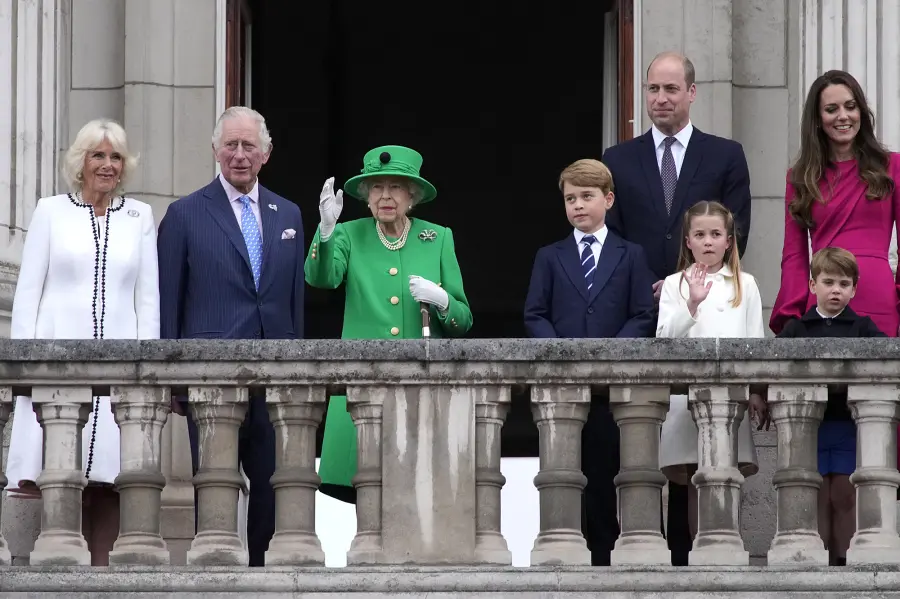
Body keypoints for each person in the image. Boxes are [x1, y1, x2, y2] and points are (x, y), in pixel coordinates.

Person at [600, 51, 753, 565]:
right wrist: (660, 289)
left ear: (691, 92)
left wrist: (696, 284)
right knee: (638, 438)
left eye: (670, 89)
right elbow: (614, 239)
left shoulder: (725, 154)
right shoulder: (617, 159)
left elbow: (738, 231)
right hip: (642, 314)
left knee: (697, 439)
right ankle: (633, 545)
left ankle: (691, 550)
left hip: (707, 311)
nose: (660, 99)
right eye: (652, 90)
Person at [5, 118, 158, 565]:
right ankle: (54, 575)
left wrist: (146, 373)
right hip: (55, 366)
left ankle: (104, 580)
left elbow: (148, 300)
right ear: (81, 162)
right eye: (98, 155)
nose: (107, 165)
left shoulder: (140, 216)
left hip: (119, 368)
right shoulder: (50, 211)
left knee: (111, 480)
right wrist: (22, 372)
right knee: (57, 475)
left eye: (115, 156)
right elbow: (28, 293)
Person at [157, 106, 305, 567]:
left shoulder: (290, 214)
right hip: (211, 378)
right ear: (216, 150)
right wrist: (172, 380)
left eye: (249, 146)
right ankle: (214, 577)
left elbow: (293, 301)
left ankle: (262, 577)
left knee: (273, 484)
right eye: (231, 145)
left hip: (275, 377)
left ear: (266, 153)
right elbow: (168, 303)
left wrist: (297, 372)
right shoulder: (183, 214)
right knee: (215, 484)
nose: (240, 155)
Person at [306, 145, 472, 503]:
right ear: (365, 196)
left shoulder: (438, 237)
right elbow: (322, 279)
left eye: (395, 187)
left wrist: (442, 301)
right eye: (376, 187)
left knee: (422, 497)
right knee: (367, 491)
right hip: (364, 385)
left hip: (420, 387)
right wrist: (325, 229)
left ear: (411, 195)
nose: (385, 196)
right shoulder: (349, 234)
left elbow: (463, 320)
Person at [523, 159, 656, 565]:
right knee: (563, 475)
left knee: (611, 472)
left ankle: (606, 558)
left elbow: (643, 314)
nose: (578, 205)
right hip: (564, 388)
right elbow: (535, 313)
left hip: (615, 387)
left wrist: (612, 353)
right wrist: (561, 354)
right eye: (570, 199)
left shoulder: (631, 254)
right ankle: (569, 556)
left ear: (608, 199)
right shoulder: (550, 256)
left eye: (586, 196)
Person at [656, 200, 768, 541]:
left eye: (716, 234)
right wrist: (692, 302)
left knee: (726, 473)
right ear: (687, 241)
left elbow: (756, 341)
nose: (708, 241)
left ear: (729, 240)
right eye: (700, 234)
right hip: (686, 397)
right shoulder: (675, 283)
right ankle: (700, 553)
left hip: (732, 396)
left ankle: (728, 546)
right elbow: (664, 339)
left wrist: (758, 392)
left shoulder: (745, 284)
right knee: (695, 477)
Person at [777, 247, 885, 566]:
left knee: (843, 493)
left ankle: (843, 562)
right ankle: (818, 561)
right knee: (814, 495)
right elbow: (769, 364)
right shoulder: (797, 329)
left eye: (843, 283)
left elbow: (886, 357)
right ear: (812, 285)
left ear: (854, 289)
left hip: (845, 425)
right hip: (809, 427)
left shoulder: (863, 328)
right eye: (828, 282)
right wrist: (757, 394)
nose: (835, 290)